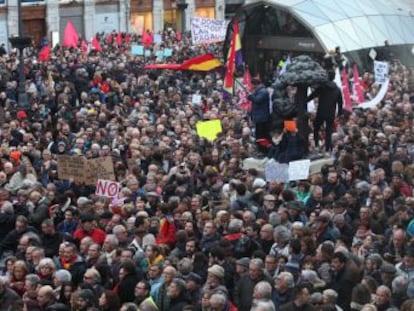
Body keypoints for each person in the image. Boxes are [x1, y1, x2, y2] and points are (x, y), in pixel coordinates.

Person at [307, 70, 343, 154]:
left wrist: (305, 100)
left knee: (316, 128)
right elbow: (340, 103)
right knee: (328, 131)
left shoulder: (323, 87)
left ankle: (316, 145)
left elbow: (313, 95)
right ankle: (327, 149)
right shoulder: (337, 89)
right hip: (331, 113)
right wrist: (339, 114)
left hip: (321, 111)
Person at [248, 77, 272, 154]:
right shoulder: (258, 91)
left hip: (262, 118)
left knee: (262, 136)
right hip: (259, 118)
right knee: (259, 136)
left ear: (255, 84)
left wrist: (251, 96)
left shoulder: (263, 91)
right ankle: (262, 150)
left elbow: (257, 100)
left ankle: (264, 150)